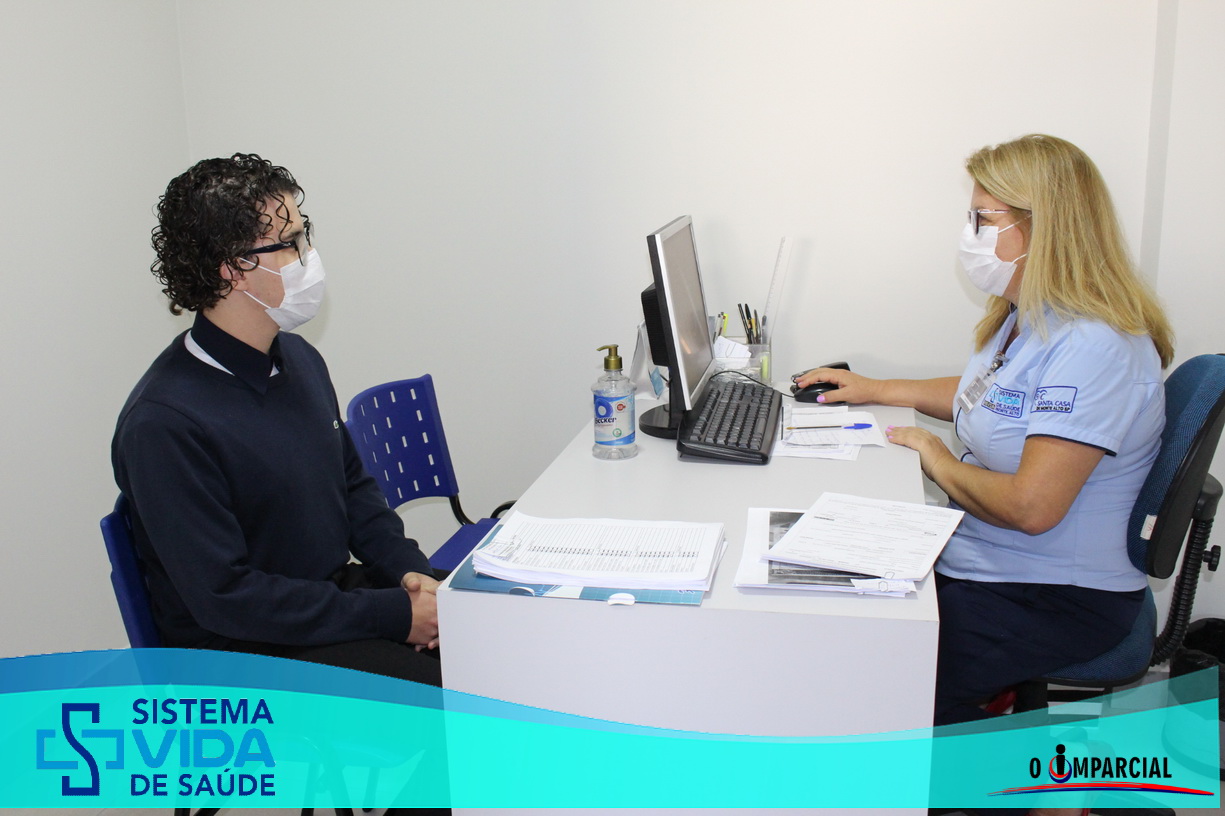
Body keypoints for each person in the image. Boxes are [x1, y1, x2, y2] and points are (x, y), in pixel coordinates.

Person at [795, 134, 1174, 727]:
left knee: (866, 678)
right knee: (824, 593)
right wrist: (878, 388)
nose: (969, 234)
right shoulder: (1032, 316)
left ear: (1044, 226)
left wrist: (938, 459)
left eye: (984, 219)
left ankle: (971, 758)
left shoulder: (1095, 346)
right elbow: (991, 396)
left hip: (1054, 596)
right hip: (991, 560)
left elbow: (1031, 506)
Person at [112, 154, 444, 685]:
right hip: (245, 652)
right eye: (289, 244)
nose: (307, 256)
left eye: (303, 234)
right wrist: (394, 616)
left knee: (500, 625)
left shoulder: (299, 360)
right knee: (460, 693)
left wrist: (412, 576)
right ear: (232, 267)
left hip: (324, 603)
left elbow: (353, 489)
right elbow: (227, 597)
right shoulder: (164, 424)